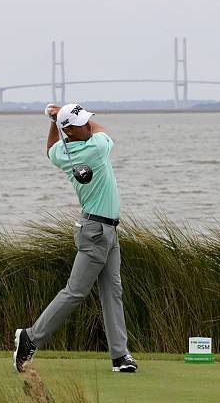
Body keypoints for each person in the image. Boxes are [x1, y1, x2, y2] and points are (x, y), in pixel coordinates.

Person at [13, 103, 137, 373]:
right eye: (83, 121)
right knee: (75, 292)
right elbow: (101, 129)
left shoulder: (63, 152)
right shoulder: (96, 148)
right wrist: (59, 117)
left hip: (107, 230)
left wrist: (52, 121)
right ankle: (30, 337)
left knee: (112, 292)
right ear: (70, 129)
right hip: (95, 232)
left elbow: (49, 150)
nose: (89, 123)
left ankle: (120, 355)